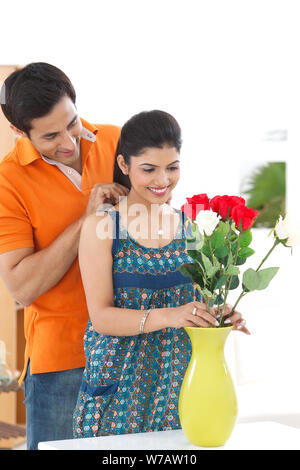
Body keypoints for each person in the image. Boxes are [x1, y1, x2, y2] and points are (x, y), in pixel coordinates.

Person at [73, 110, 249, 439]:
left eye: (172, 167)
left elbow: (195, 303)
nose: (162, 180)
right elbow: (101, 317)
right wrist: (170, 316)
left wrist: (221, 315)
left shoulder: (191, 226)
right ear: (124, 165)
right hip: (119, 395)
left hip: (181, 390)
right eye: (148, 169)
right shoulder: (102, 226)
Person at [0, 62, 129, 450]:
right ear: (19, 132)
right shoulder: (8, 180)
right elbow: (21, 288)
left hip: (133, 349)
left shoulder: (118, 140)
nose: (69, 142)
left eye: (72, 123)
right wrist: (85, 221)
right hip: (62, 363)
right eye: (50, 136)